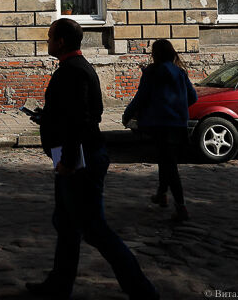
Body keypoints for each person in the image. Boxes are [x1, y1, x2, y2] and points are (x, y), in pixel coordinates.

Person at [26, 18, 159, 300]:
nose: (47, 41)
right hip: (74, 154)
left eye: (50, 37)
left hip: (80, 158)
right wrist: (47, 118)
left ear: (61, 41)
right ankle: (58, 286)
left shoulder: (73, 71)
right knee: (66, 224)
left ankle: (142, 290)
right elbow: (79, 112)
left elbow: (81, 120)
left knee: (94, 229)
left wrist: (68, 160)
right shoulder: (77, 68)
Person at [122, 39, 198, 222]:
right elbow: (193, 97)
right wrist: (178, 108)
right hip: (178, 125)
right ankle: (162, 194)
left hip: (160, 125)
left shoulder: (152, 73)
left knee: (169, 165)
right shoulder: (180, 73)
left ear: (155, 55)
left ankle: (181, 206)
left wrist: (127, 114)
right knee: (166, 161)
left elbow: (141, 97)